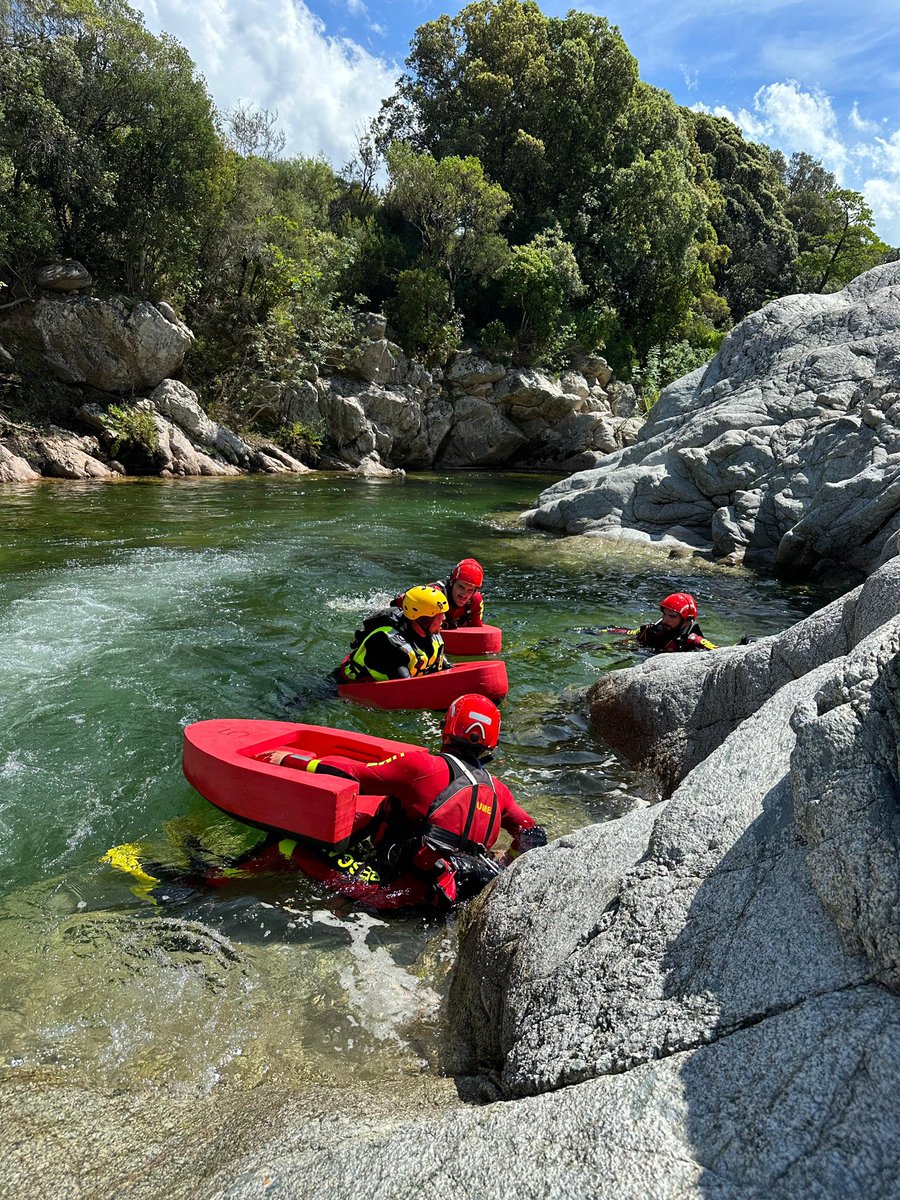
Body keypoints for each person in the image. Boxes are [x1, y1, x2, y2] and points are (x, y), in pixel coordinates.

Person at [260, 693, 547, 906]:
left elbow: (352, 774)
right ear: (490, 743)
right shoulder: (499, 791)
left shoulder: (421, 767)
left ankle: (235, 880)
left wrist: (292, 760)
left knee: (288, 843)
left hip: (390, 892)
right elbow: (534, 836)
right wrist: (507, 860)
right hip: (447, 895)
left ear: (447, 726)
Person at [337, 585, 450, 683]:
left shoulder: (431, 634)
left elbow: (445, 670)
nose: (444, 618)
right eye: (440, 615)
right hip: (344, 687)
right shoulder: (388, 643)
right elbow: (406, 688)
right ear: (424, 619)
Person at [395, 558, 485, 629]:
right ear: (452, 583)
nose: (464, 594)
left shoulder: (475, 601)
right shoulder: (434, 595)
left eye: (470, 590)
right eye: (461, 587)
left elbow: (476, 631)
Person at [636, 592, 717, 654]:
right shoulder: (649, 630)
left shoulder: (692, 639)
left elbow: (717, 650)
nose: (665, 620)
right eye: (664, 614)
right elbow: (629, 632)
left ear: (687, 621)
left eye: (672, 616)